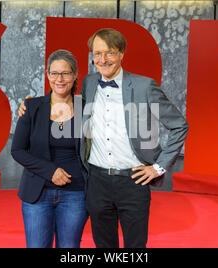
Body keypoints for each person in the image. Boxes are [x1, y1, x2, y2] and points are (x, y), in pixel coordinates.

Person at [19, 28, 188, 248]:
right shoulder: (89, 83)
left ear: (121, 54)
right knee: (104, 246)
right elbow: (62, 95)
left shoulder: (144, 86)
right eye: (97, 53)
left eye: (109, 52)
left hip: (133, 181)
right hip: (96, 181)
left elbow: (179, 125)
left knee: (135, 247)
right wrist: (30, 104)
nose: (102, 59)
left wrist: (158, 167)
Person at [11, 49, 88, 248]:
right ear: (47, 75)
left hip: (76, 194)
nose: (59, 79)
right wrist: (50, 171)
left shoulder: (86, 108)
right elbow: (17, 150)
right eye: (54, 73)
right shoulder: (32, 107)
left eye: (65, 73)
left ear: (75, 75)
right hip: (37, 193)